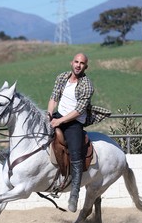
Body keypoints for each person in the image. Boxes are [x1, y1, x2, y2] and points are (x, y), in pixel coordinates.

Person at [47, 53, 111, 212]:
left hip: (74, 122)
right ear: (71, 62)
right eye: (76, 62)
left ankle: (74, 193)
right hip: (58, 116)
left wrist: (60, 122)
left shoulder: (87, 85)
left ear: (85, 67)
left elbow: (78, 110)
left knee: (75, 152)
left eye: (82, 63)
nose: (78, 65)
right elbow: (54, 98)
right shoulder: (62, 77)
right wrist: (49, 114)